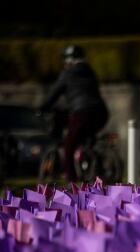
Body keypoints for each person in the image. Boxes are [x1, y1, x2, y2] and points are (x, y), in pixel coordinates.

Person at [39, 45, 109, 181]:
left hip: (82, 112)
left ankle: (72, 180)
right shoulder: (90, 71)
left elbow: (54, 93)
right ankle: (91, 164)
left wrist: (43, 107)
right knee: (87, 139)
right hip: (101, 112)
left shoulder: (67, 73)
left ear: (68, 60)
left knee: (69, 144)